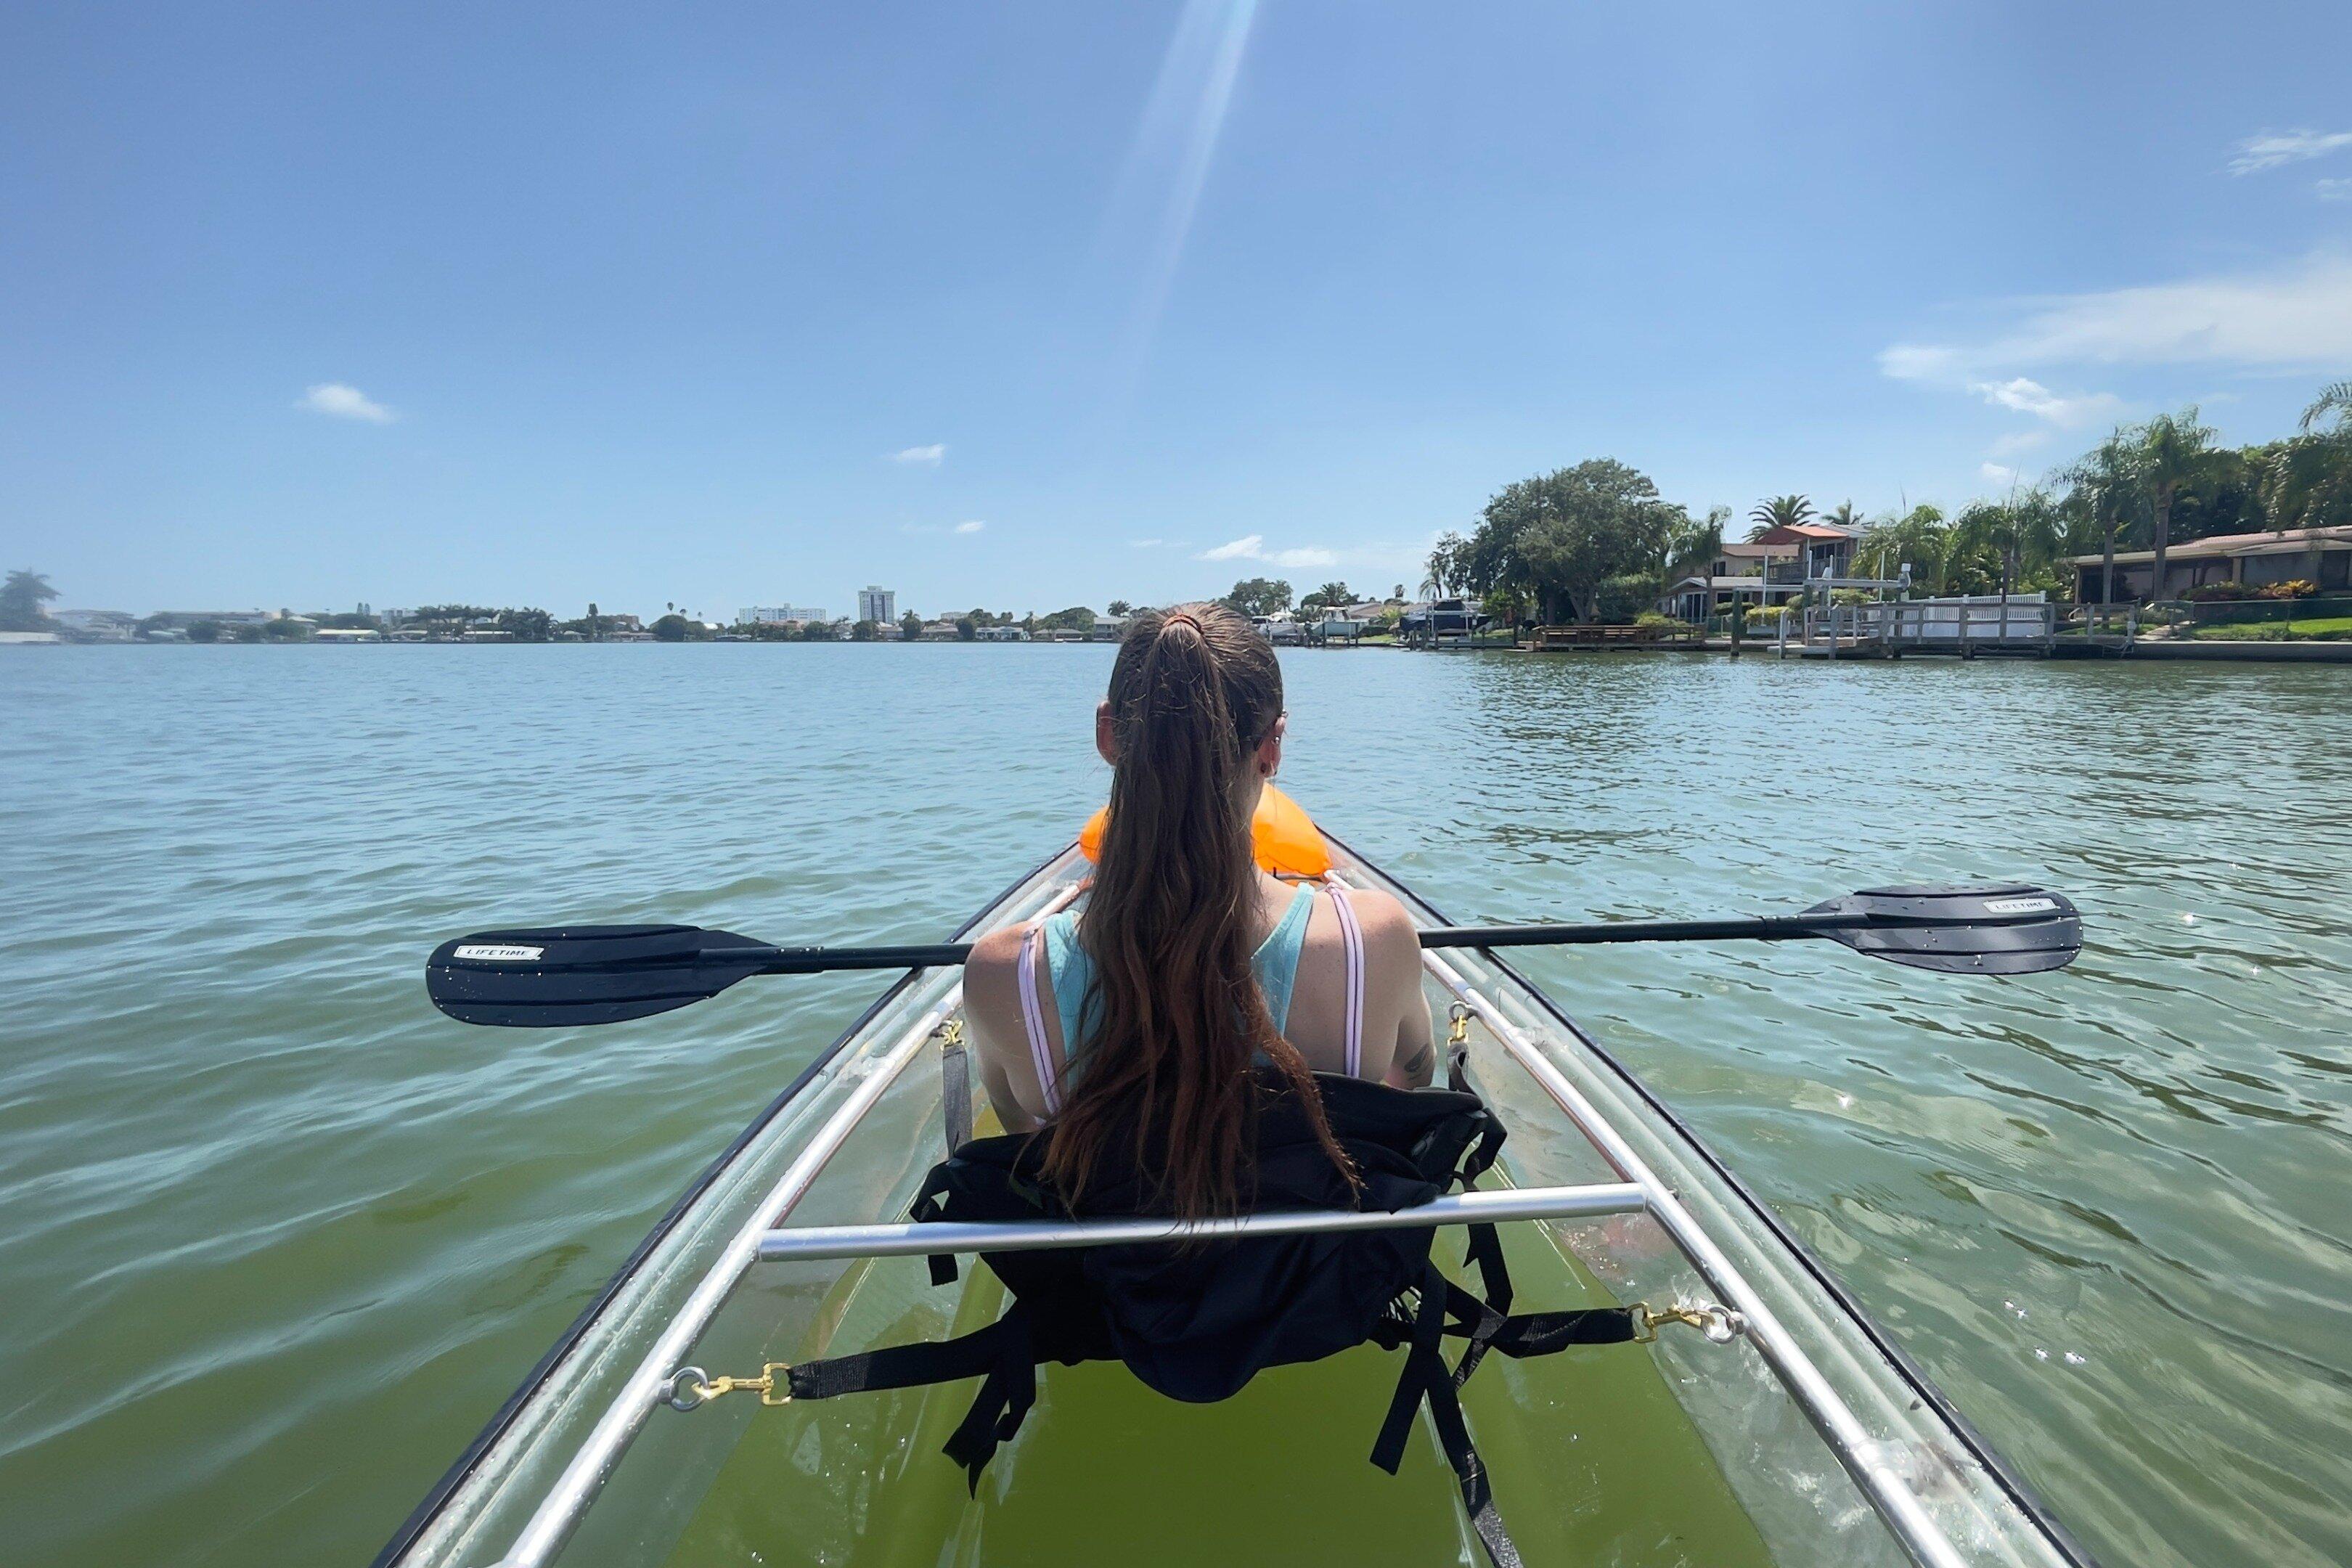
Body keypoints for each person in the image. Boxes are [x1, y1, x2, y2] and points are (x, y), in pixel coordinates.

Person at [963, 601, 1436, 1218]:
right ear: (1272, 747)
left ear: (1109, 736)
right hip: (1313, 1296)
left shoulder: (1004, 975)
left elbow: (1025, 1137)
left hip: (1113, 1303)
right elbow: (1413, 1076)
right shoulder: (1375, 937)